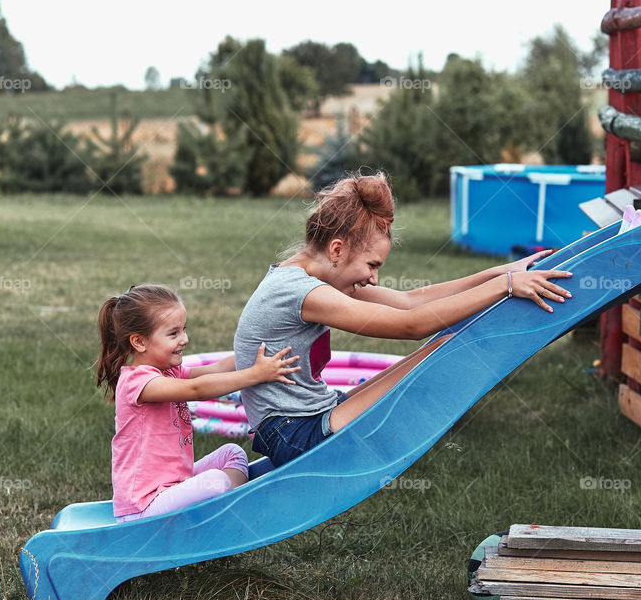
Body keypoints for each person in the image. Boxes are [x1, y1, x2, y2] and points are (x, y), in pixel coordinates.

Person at [234, 172, 572, 468]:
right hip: (296, 436)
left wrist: (497, 273)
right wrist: (506, 287)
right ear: (337, 250)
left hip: (306, 419)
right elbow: (412, 326)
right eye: (372, 265)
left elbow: (410, 301)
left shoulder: (314, 279)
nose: (373, 279)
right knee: (446, 346)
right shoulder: (303, 292)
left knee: (445, 344)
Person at [95, 284, 300, 521]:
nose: (185, 339)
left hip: (174, 487)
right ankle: (228, 520)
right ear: (139, 342)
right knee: (217, 482)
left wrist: (260, 351)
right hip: (143, 507)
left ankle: (226, 516)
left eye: (184, 330)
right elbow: (198, 389)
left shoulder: (169, 372)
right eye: (173, 333)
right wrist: (256, 374)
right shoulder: (137, 382)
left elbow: (217, 369)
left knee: (232, 453)